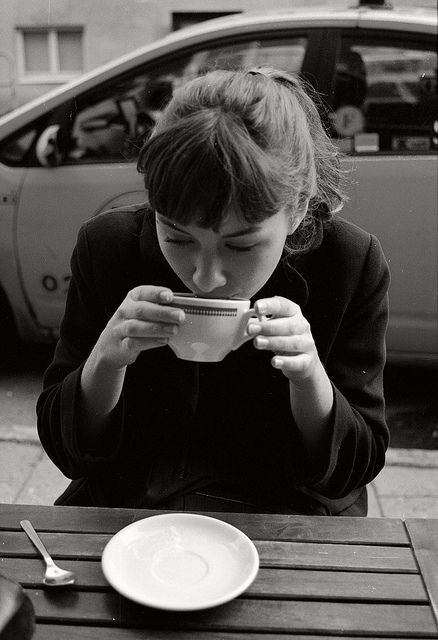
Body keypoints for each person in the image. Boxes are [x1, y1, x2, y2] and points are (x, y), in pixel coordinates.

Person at [37, 67, 390, 516]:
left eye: (240, 245)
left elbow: (357, 466)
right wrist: (107, 358)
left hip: (286, 520)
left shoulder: (349, 262)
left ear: (298, 209)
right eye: (178, 237)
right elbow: (65, 450)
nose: (205, 277)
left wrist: (309, 377)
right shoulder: (108, 247)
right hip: (133, 513)